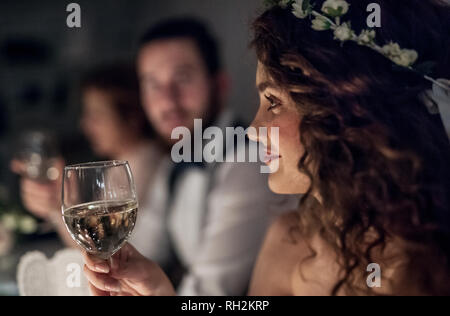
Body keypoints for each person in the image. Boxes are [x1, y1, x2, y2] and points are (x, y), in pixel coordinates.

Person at [84, 0, 450, 296]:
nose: (255, 130)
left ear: (344, 108)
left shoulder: (430, 263)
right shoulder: (288, 238)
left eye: (273, 102)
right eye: (152, 84)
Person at [11, 64, 163, 247]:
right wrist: (57, 204)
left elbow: (109, 249)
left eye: (96, 115)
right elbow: (97, 246)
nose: (84, 125)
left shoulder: (143, 162)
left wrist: (60, 206)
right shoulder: (121, 164)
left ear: (132, 118)